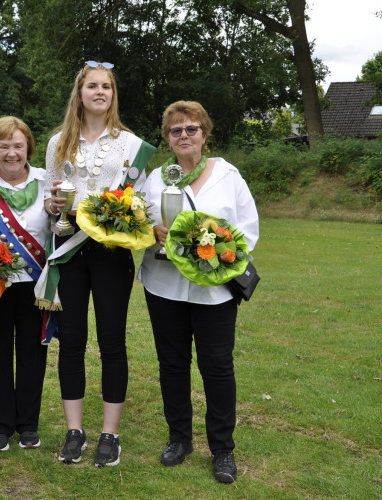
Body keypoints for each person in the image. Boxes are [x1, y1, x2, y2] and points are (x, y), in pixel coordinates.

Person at [39, 61, 155, 467]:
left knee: (111, 343)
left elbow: (139, 200)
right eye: (92, 86)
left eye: (106, 86)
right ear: (80, 93)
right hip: (68, 248)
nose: (100, 92)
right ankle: (74, 432)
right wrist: (53, 205)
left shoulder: (131, 144)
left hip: (110, 253)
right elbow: (49, 196)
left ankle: (110, 434)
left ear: (112, 94)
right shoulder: (58, 143)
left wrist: (123, 211)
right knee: (70, 342)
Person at [138, 101, 259, 482]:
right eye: (176, 131)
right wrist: (152, 232)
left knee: (217, 368)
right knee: (172, 365)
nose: (184, 136)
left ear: (205, 134)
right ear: (167, 139)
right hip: (164, 286)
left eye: (191, 129)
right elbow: (139, 223)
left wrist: (221, 256)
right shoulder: (155, 178)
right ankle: (179, 438)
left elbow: (247, 230)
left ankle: (222, 449)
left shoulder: (227, 175)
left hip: (215, 291)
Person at [0, 116, 51, 452]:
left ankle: (28, 424)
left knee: (33, 353)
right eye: (4, 146)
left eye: (18, 145)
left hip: (36, 283)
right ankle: (0, 426)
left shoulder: (48, 181)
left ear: (28, 147)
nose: (12, 153)